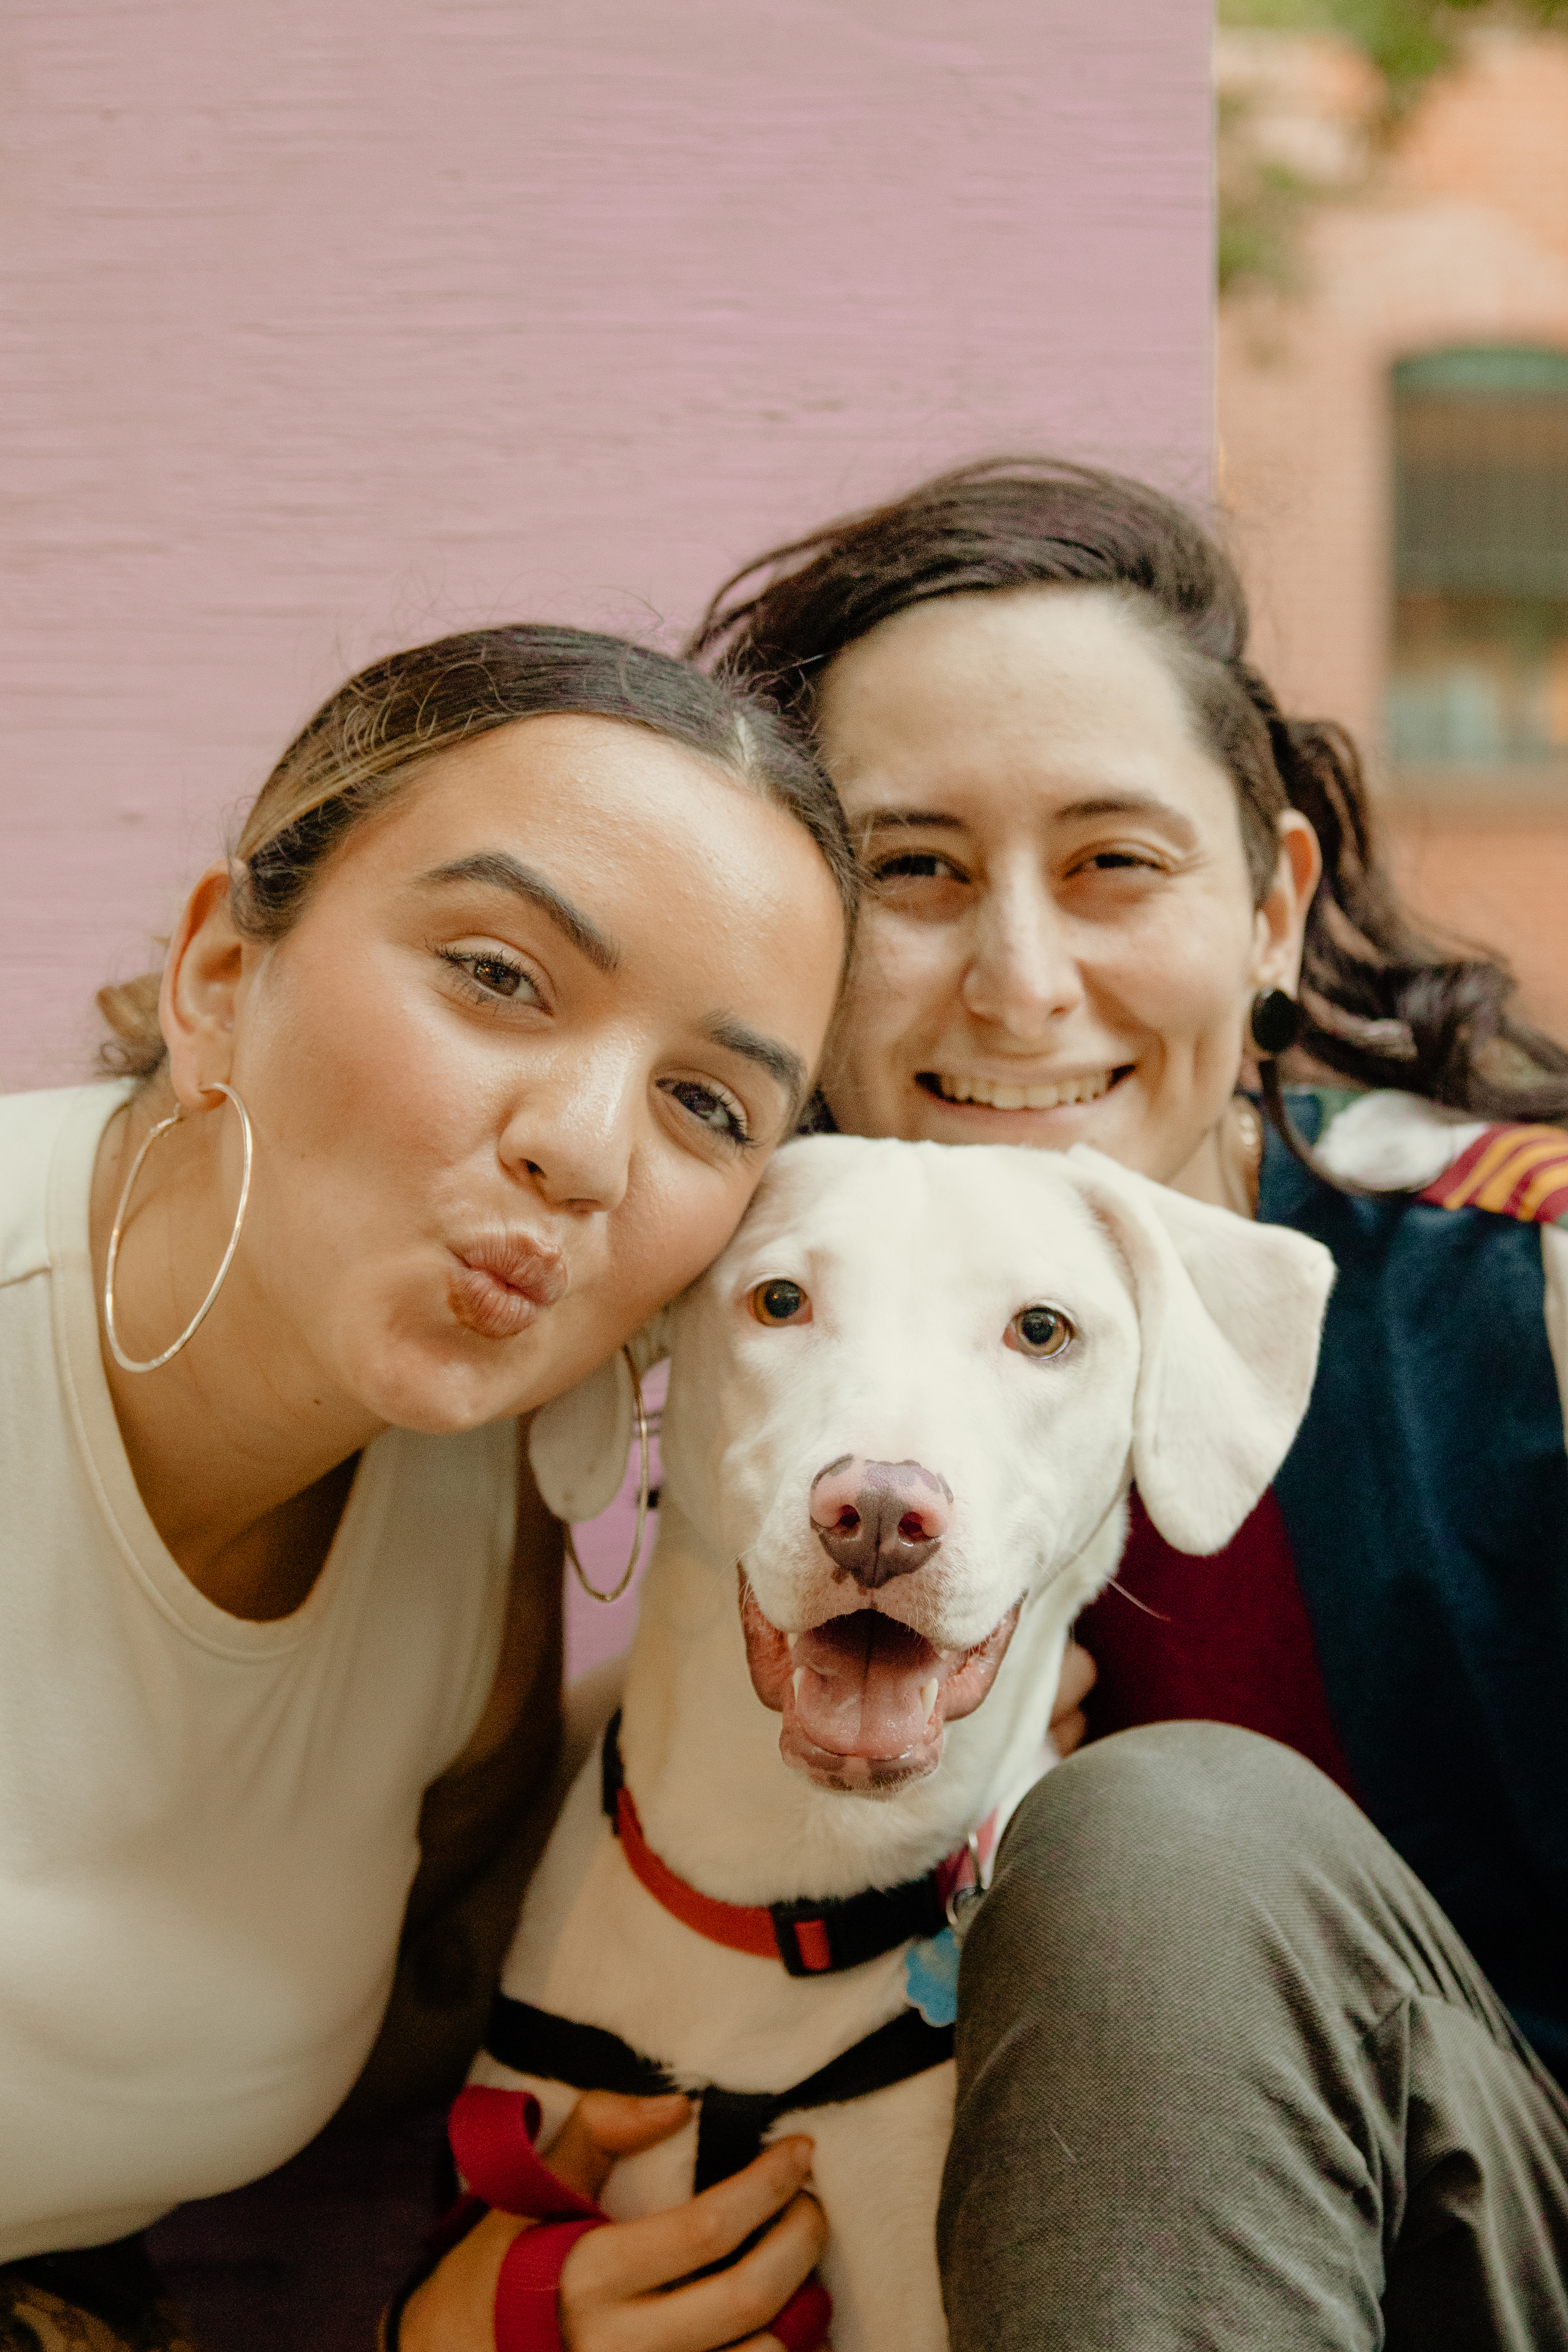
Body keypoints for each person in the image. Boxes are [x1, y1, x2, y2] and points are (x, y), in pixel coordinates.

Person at [681, 460, 1568, 2348]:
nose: (1018, 985)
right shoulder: (733, 1376)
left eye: (1112, 863)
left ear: (1267, 906)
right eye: (912, 872)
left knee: (1154, 1841)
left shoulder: (1532, 1294)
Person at [0, 623, 856, 2352]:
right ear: (219, 977)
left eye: (706, 1102)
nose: (588, 1149)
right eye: (496, 975)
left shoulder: (474, 1514)